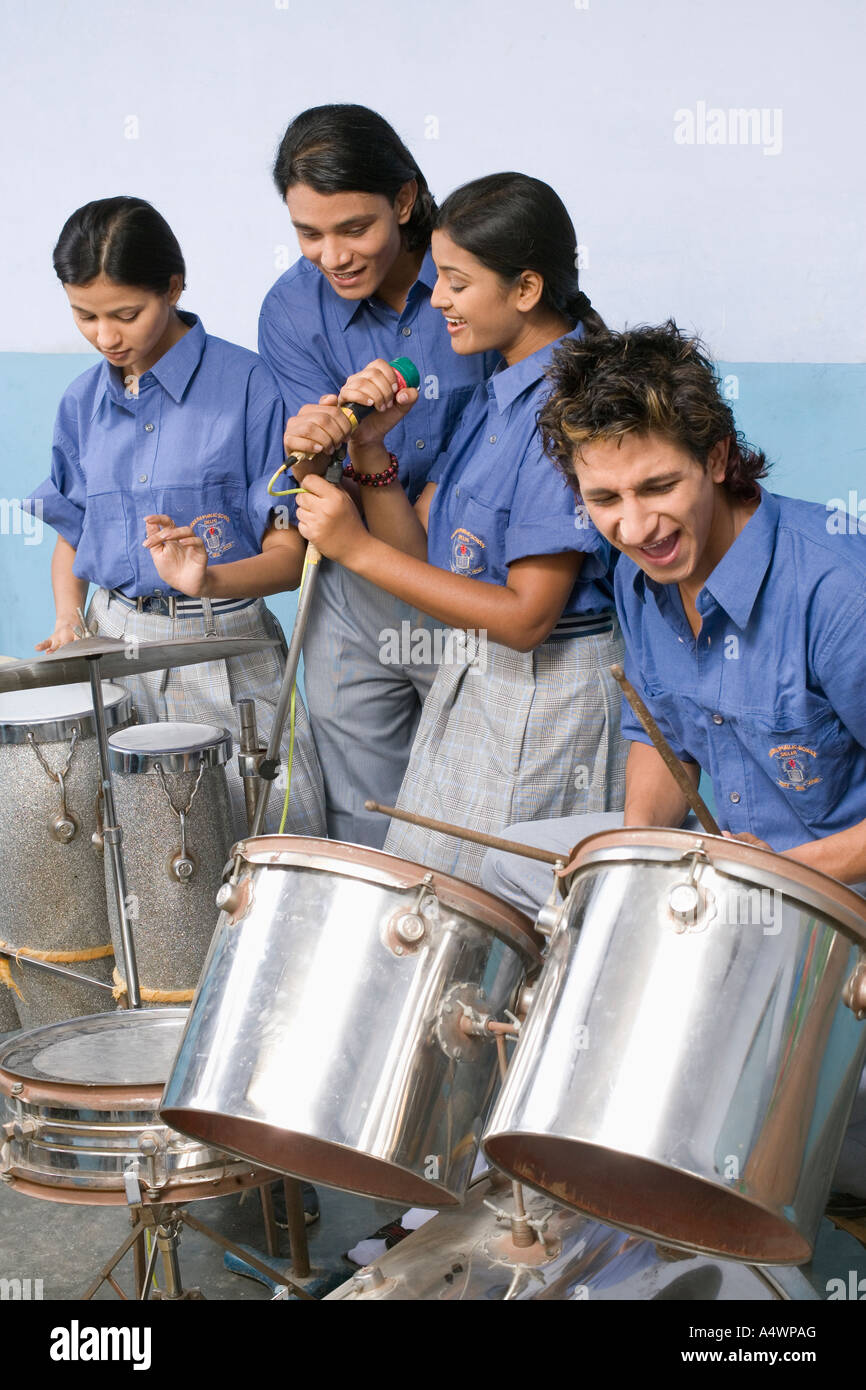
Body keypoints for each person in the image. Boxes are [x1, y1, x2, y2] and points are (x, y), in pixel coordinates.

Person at [479, 319, 866, 1199]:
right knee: (516, 858)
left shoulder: (837, 592)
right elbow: (654, 732)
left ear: (720, 459)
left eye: (659, 486)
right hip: (729, 859)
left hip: (833, 885)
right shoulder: (639, 574)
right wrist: (632, 861)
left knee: (802, 1152)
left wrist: (788, 876)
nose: (636, 525)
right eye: (605, 498)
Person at [287, 173, 628, 885]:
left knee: (509, 932)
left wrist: (351, 547)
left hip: (547, 696)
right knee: (436, 910)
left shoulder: (571, 409)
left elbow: (528, 617)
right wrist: (371, 451)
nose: (436, 298)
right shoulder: (498, 390)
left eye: (455, 282)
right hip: (478, 681)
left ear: (526, 289)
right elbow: (423, 559)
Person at [26, 196, 326, 841]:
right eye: (85, 316)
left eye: (126, 315)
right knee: (149, 869)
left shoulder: (251, 386)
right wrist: (67, 619)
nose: (106, 337)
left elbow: (290, 556)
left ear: (174, 285)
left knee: (267, 839)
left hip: (224, 648)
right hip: (113, 649)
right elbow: (71, 536)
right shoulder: (81, 402)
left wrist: (208, 580)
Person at [259, 104, 498, 848]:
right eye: (309, 234)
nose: (332, 256)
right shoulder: (291, 308)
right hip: (354, 594)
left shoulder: (476, 280)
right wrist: (307, 448)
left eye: (353, 228)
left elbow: (522, 430)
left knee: (487, 815)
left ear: (403, 201)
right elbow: (309, 474)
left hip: (476, 583)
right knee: (369, 828)